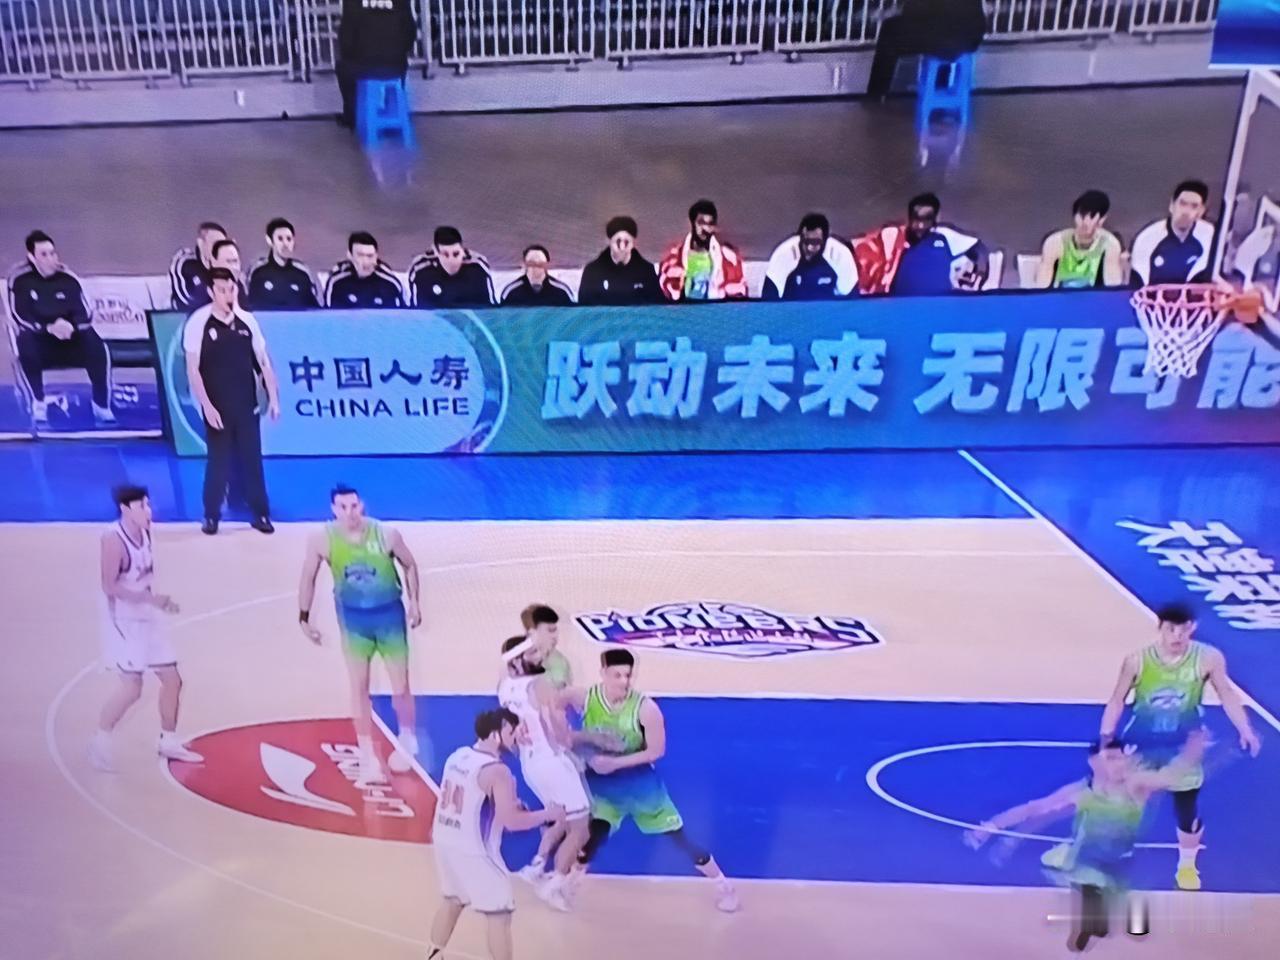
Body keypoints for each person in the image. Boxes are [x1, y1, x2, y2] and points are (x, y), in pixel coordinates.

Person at [966, 732, 1208, 952]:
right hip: (1087, 859)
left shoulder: (1136, 785)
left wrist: (1192, 751)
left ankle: (1107, 916)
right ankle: (1093, 920)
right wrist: (991, 826)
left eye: (1120, 758)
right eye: (1110, 759)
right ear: (1095, 763)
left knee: (1128, 918)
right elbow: (1034, 809)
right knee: (1089, 885)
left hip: (1121, 860)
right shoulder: (1081, 791)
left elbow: (1169, 776)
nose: (1118, 764)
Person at [1099, 602, 1261, 891]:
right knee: (1127, 802)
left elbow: (1226, 693)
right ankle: (1117, 854)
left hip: (1183, 744)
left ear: (1192, 628)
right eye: (1170, 629)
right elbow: (1116, 700)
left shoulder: (1208, 658)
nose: (1176, 636)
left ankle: (1187, 866)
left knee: (1186, 808)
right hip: (1143, 740)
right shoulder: (1137, 661)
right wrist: (1106, 738)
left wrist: (1245, 729)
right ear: (1160, 628)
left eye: (1183, 630)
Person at [563, 649, 739, 912]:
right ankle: (568, 885)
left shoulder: (646, 709)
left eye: (628, 675)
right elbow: (552, 702)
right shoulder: (585, 698)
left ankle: (724, 886)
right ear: (603, 674)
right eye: (617, 675)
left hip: (641, 787)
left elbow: (656, 751)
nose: (624, 681)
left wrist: (614, 764)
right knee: (593, 835)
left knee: (680, 839)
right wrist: (572, 737)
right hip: (603, 786)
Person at [298, 485, 422, 785]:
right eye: (343, 507)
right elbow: (308, 577)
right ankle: (367, 757)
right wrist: (303, 616)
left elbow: (409, 565)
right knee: (359, 687)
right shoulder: (321, 539)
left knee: (401, 685)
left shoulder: (386, 535)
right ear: (333, 509)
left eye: (354, 506)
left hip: (389, 618)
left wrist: (415, 602)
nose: (350, 513)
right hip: (354, 623)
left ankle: (408, 739)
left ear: (362, 505)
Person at [427, 708, 565, 960]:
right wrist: (549, 814)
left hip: (444, 839)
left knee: (453, 899)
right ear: (494, 735)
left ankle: (432, 956)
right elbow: (511, 822)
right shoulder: (498, 772)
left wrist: (509, 804)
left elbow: (472, 798)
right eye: (510, 733)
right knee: (500, 914)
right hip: (474, 850)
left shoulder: (458, 756)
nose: (515, 738)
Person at [90, 484, 203, 771]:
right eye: (142, 506)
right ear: (125, 509)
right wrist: (151, 600)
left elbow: (143, 577)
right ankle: (100, 742)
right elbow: (109, 586)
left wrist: (157, 604)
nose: (148, 511)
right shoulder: (113, 539)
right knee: (132, 688)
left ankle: (168, 740)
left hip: (147, 614)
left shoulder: (146, 531)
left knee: (173, 680)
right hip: (123, 621)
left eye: (148, 504)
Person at [498, 636, 593, 910]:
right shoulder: (539, 684)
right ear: (517, 660)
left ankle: (537, 866)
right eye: (532, 653)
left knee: (561, 817)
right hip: (551, 761)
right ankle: (554, 886)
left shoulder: (504, 688)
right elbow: (554, 724)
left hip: (530, 764)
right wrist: (570, 750)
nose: (540, 656)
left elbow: (510, 730)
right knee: (581, 829)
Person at [183, 268, 279, 535]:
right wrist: (207, 406)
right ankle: (211, 515)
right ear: (211, 292)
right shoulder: (198, 323)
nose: (228, 295)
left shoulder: (247, 321)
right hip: (218, 406)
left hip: (246, 404)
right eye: (222, 290)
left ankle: (260, 514)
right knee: (219, 462)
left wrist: (273, 398)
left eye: (231, 289)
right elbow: (193, 370)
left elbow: (264, 363)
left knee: (252, 460)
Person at [7, 230, 114, 424]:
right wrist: (48, 327)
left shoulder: (68, 279)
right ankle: (38, 403)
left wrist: (70, 326)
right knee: (25, 341)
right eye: (44, 254)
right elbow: (19, 315)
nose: (51, 259)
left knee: (95, 343)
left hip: (70, 337)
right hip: (41, 339)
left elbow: (85, 313)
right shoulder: (20, 281)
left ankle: (101, 405)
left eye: (52, 253)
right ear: (32, 257)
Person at [853, 192, 987, 295]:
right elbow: (861, 251)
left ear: (935, 219)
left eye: (926, 220)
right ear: (910, 217)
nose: (920, 225)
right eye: (916, 220)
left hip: (938, 305)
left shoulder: (944, 236)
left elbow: (979, 249)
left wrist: (977, 277)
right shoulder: (894, 238)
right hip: (899, 306)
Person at [867, 0, 987, 100]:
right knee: (942, 27)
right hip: (971, 38)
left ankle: (876, 93)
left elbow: (915, 11)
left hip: (943, 35)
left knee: (890, 30)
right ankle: (940, 87)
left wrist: (890, 12)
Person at [336, 0, 416, 130]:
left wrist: (355, 54)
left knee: (343, 68)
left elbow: (346, 39)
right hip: (395, 66)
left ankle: (352, 116)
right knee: (400, 65)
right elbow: (410, 32)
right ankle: (394, 111)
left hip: (362, 67)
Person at [1129, 181, 1216, 287]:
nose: (1186, 212)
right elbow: (1138, 286)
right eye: (1182, 204)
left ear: (1201, 211)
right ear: (1171, 205)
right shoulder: (1147, 238)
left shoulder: (1211, 235)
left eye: (1194, 206)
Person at [658, 199, 747, 302]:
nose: (705, 228)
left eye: (710, 224)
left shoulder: (729, 258)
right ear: (691, 223)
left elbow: (739, 294)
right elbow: (663, 293)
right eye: (701, 223)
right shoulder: (674, 257)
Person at [1034, 189, 1125, 289]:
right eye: (1082, 216)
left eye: (1091, 217)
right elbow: (1041, 288)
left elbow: (1112, 289)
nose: (1085, 223)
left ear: (1102, 220)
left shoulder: (1110, 245)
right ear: (1074, 216)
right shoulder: (1054, 242)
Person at [761, 213, 859, 300]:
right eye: (806, 241)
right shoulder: (784, 254)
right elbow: (769, 300)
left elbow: (851, 299)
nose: (809, 247)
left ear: (825, 240)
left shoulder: (840, 255)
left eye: (815, 242)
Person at [577, 217, 665, 306]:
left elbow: (656, 305)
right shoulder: (592, 271)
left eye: (626, 242)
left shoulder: (646, 270)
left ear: (633, 243)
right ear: (608, 241)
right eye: (618, 241)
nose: (622, 247)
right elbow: (585, 306)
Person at [408, 226, 496, 307]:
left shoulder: (478, 267)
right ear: (436, 252)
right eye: (445, 254)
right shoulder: (420, 269)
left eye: (456, 254)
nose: (451, 260)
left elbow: (490, 310)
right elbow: (414, 312)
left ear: (462, 250)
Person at [247, 217, 320, 310]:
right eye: (280, 239)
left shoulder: (303, 273)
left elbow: (316, 310)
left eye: (289, 239)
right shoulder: (258, 272)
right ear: (270, 241)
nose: (285, 244)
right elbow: (248, 307)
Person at [324, 232, 405, 308]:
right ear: (350, 255)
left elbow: (401, 315)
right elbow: (327, 315)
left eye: (370, 256)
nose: (366, 262)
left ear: (376, 256)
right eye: (360, 255)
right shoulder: (337, 282)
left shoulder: (390, 283)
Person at [170, 221, 228, 313]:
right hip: (184, 316)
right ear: (201, 243)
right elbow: (184, 299)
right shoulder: (185, 262)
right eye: (215, 243)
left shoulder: (228, 267)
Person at [500, 246, 575, 306]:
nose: (535, 267)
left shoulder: (561, 291)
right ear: (523, 265)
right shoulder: (511, 291)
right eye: (531, 263)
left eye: (540, 264)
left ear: (547, 265)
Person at [520, 603, 572, 690]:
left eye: (556, 630)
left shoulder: (560, 660)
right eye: (550, 630)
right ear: (532, 632)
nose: (556, 636)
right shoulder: (517, 662)